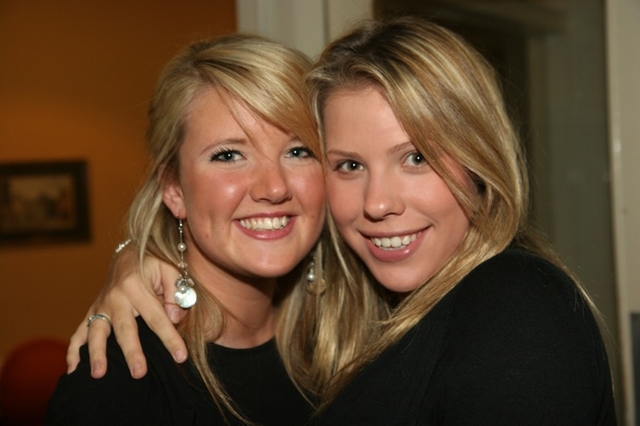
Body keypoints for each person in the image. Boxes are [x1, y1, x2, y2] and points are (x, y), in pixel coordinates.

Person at [66, 17, 617, 425]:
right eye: (350, 165)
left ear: (480, 160)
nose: (273, 187)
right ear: (172, 189)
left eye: (416, 156)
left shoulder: (514, 308)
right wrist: (131, 260)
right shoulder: (349, 325)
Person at [46, 33, 327, 425]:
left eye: (298, 151)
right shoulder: (124, 374)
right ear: (173, 189)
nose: (274, 187)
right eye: (229, 155)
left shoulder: (346, 338)